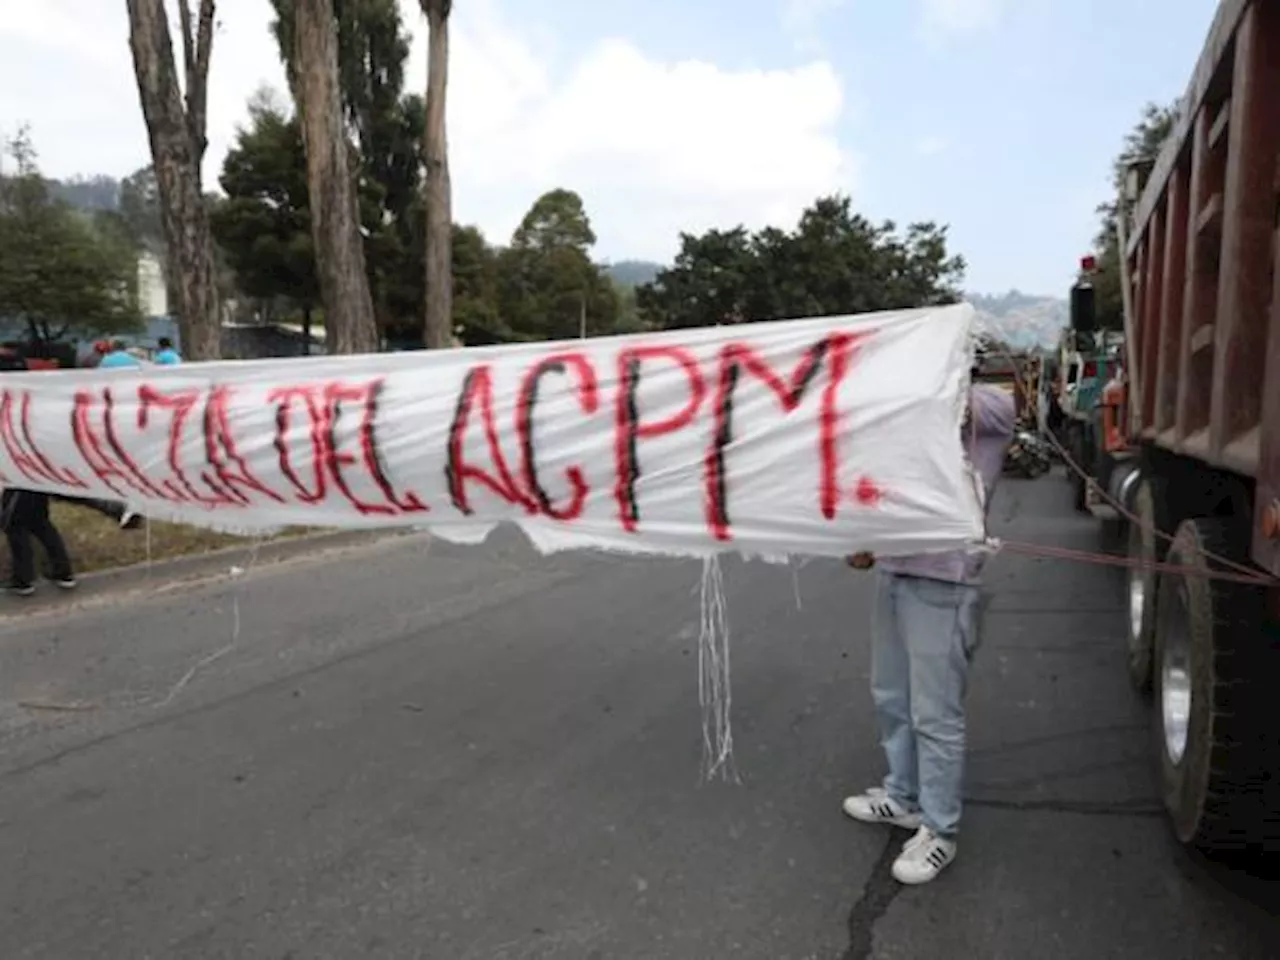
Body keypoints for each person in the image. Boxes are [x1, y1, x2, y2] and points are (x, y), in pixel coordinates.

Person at [842, 377, 1016, 885]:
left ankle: (940, 830)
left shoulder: (987, 408)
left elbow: (996, 409)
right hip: (895, 572)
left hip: (944, 581)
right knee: (891, 696)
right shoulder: (909, 417)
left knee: (935, 713)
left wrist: (932, 371)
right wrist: (866, 540)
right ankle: (903, 796)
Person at [2, 488, 76, 597]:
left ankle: (23, 581)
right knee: (43, 526)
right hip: (37, 489)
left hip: (17, 490)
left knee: (17, 531)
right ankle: (64, 573)